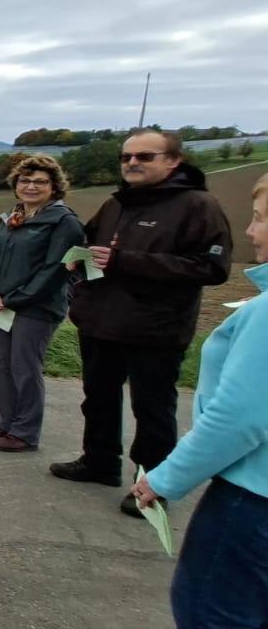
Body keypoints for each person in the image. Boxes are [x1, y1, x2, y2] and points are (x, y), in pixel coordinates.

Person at [50, 131, 233, 515]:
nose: (132, 163)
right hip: (101, 320)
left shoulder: (198, 205)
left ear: (173, 161)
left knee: (152, 410)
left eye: (145, 156)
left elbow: (212, 267)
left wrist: (124, 261)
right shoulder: (116, 203)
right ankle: (99, 461)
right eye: (126, 157)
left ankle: (153, 486)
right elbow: (91, 245)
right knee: (97, 398)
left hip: (155, 327)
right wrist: (77, 261)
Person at [132, 173, 268, 627]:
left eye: (259, 218)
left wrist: (166, 479)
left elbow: (240, 417)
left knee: (211, 613)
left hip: (252, 500)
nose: (249, 232)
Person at [0, 156, 85, 452]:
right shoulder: (10, 218)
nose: (31, 187)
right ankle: (5, 423)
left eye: (40, 182)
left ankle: (24, 432)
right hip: (0, 305)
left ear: (54, 187)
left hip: (37, 308)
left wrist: (12, 299)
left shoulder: (65, 223)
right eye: (25, 181)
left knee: (24, 367)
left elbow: (54, 271)